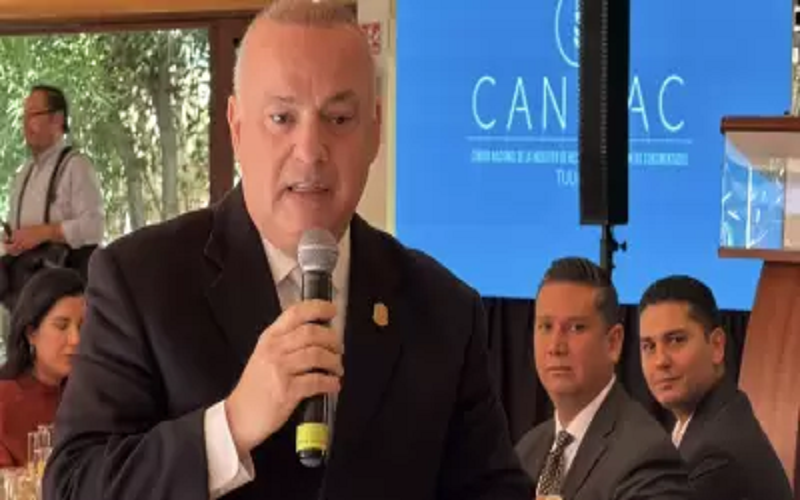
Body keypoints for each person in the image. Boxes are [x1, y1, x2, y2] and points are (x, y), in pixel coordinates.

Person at [42, 2, 532, 499]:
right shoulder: (141, 280)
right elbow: (74, 485)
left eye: (339, 118)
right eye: (282, 118)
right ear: (236, 127)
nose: (310, 150)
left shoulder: (442, 307)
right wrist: (232, 425)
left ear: (376, 130)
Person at [516, 257, 691, 499]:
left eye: (576, 328)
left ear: (613, 343)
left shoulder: (646, 453)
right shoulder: (527, 450)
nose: (555, 346)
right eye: (546, 327)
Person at [638, 275, 793, 500]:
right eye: (649, 346)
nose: (660, 360)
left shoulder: (716, 458)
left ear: (717, 346)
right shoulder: (721, 415)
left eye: (676, 340)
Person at [0, 85, 103, 308]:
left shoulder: (76, 166)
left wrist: (45, 233)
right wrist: (9, 240)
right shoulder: (24, 174)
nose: (26, 124)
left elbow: (93, 228)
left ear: (57, 119)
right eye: (24, 116)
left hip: (63, 300)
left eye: (33, 115)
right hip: (25, 297)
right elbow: (16, 232)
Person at [0, 267, 85, 468]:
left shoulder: (93, 397)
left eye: (83, 327)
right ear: (31, 333)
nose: (76, 339)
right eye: (61, 326)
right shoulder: (5, 402)